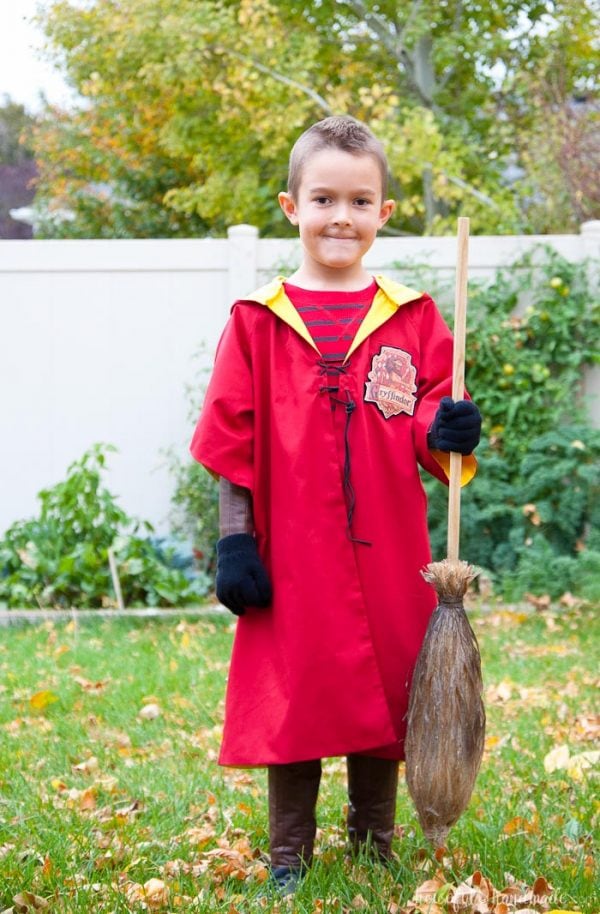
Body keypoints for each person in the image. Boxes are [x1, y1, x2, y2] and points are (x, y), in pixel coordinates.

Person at [190, 115, 481, 893]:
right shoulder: (257, 320)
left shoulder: (410, 314)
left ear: (384, 213)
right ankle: (290, 852)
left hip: (388, 546)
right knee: (295, 693)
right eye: (324, 199)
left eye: (359, 201)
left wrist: (447, 427)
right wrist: (234, 541)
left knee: (388, 688)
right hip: (292, 548)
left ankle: (374, 840)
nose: (340, 217)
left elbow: (429, 415)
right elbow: (232, 435)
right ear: (292, 207)